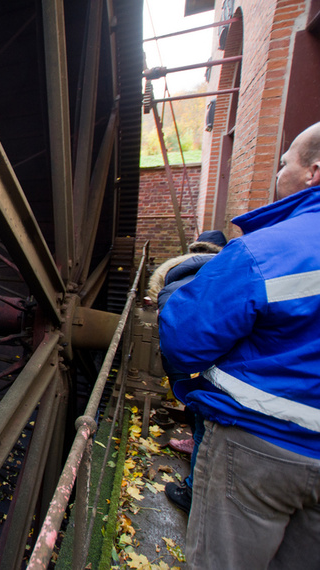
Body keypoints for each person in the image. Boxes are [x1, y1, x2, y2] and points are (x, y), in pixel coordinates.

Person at [159, 122, 320, 568]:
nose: (277, 174)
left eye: (285, 162)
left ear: (314, 173)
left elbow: (185, 338)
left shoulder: (271, 250)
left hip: (260, 448)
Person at [146, 230, 227, 513]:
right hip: (218, 360)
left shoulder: (176, 276)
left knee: (200, 408)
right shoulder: (223, 272)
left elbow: (171, 324)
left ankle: (193, 491)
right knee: (205, 410)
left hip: (191, 356)